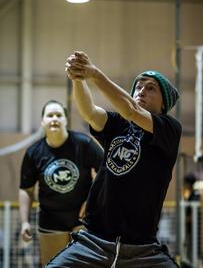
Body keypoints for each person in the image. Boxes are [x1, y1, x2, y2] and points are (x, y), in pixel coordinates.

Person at [46, 51, 182, 268]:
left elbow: (131, 109)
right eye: (138, 86)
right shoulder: (118, 123)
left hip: (142, 249)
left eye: (150, 88)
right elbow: (89, 112)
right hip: (93, 241)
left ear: (164, 103)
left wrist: (95, 73)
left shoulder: (169, 129)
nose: (141, 91)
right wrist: (79, 78)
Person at [19, 99, 103, 266]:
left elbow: (106, 170)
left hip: (83, 218)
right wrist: (25, 222)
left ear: (66, 120)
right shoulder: (33, 153)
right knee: (53, 264)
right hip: (50, 220)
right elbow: (26, 189)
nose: (55, 118)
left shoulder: (83, 144)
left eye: (59, 115)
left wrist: (91, 200)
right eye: (50, 115)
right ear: (43, 122)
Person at [183, 174, 203, 268]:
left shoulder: (195, 196)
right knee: (191, 251)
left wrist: (186, 220)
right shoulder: (190, 195)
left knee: (195, 251)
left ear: (189, 184)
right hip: (191, 229)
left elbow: (193, 214)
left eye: (185, 183)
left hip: (194, 230)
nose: (184, 185)